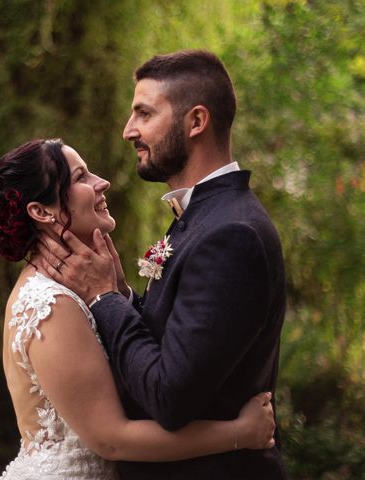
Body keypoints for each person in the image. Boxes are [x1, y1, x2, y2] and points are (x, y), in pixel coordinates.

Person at [39, 50, 288, 479]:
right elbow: (174, 343)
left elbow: (169, 396)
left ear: (195, 122)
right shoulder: (205, 218)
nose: (128, 130)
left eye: (144, 113)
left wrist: (103, 298)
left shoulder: (231, 235)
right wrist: (122, 297)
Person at [0, 138, 277, 480]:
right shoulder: (51, 305)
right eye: (81, 177)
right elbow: (112, 440)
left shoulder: (73, 289)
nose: (102, 182)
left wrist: (117, 295)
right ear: (42, 212)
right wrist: (240, 433)